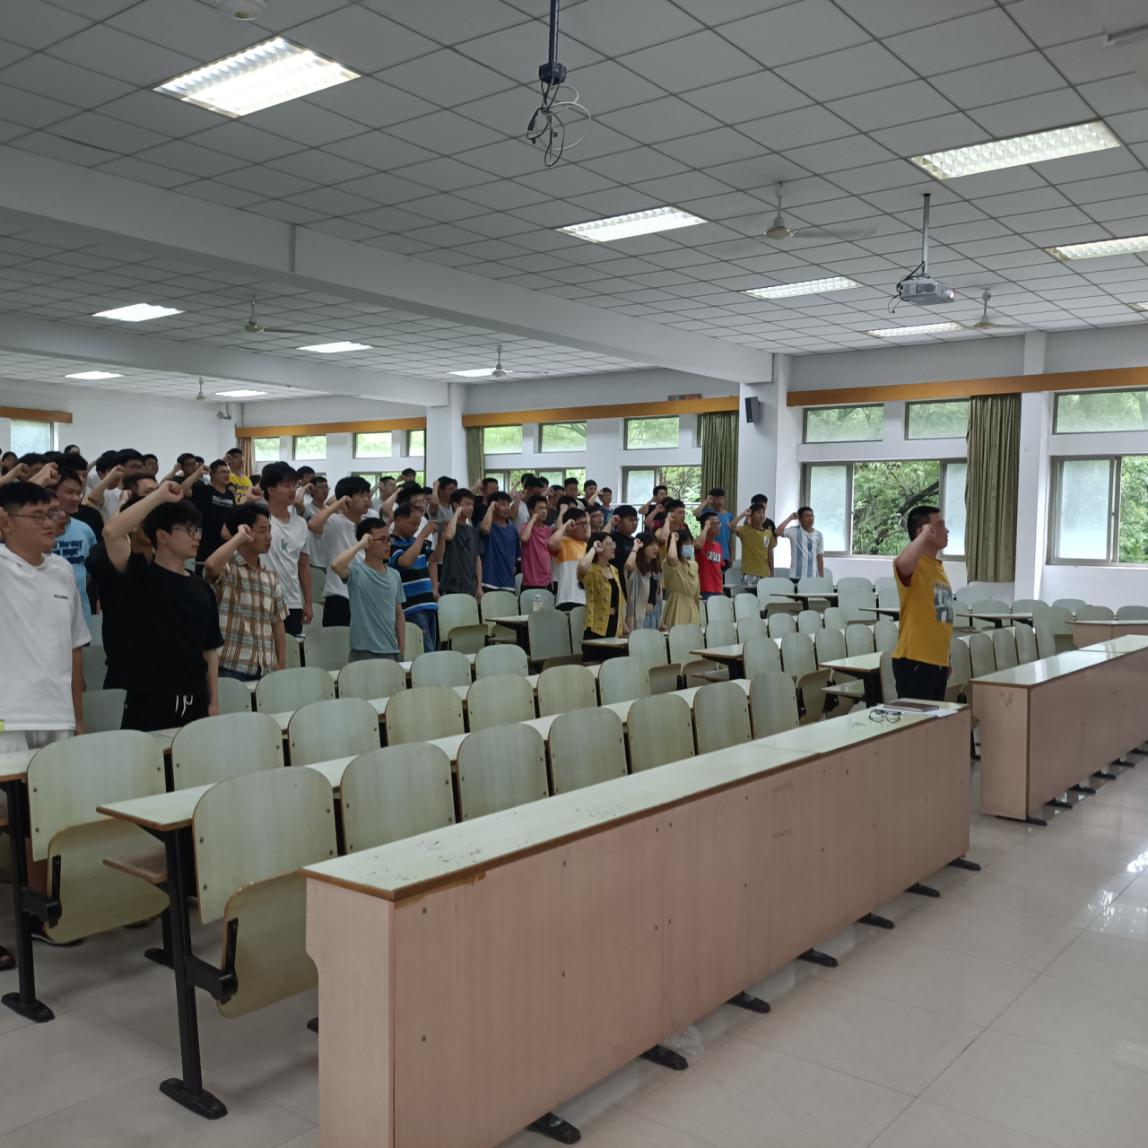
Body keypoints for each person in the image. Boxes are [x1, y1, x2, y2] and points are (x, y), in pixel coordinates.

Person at [98, 482, 222, 731]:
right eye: (189, 530)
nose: (196, 536)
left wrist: (213, 701)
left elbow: (210, 650)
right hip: (150, 700)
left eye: (197, 530)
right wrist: (159, 496)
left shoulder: (202, 587)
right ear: (162, 536)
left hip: (196, 697)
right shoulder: (139, 575)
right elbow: (111, 532)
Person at [0, 481, 89, 748]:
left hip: (59, 715)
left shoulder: (63, 570)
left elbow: (74, 648)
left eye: (51, 514)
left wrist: (78, 717)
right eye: (37, 516)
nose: (49, 523)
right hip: (9, 717)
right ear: (6, 522)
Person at [204, 503, 287, 683]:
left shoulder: (270, 576)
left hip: (266, 667)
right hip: (230, 665)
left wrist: (281, 663)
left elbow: (277, 623)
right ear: (244, 531)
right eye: (262, 530)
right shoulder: (227, 569)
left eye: (269, 530)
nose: (269, 536)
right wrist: (239, 538)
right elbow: (210, 566)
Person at [891, 505, 954, 702]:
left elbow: (940, 618)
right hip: (915, 661)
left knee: (933, 722)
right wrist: (925, 535)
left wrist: (945, 658)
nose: (946, 530)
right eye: (940, 525)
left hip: (937, 662)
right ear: (923, 531)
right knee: (916, 721)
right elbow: (901, 563)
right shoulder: (915, 565)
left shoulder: (937, 568)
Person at [330, 518, 406, 662]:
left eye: (389, 539)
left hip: (391, 651)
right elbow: (336, 565)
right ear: (368, 542)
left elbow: (399, 613)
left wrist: (401, 648)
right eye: (382, 539)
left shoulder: (395, 575)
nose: (388, 544)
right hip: (362, 652)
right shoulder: (356, 573)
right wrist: (360, 544)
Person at [308, 475, 372, 627]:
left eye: (367, 495)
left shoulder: (369, 525)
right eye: (361, 495)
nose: (367, 500)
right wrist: (337, 505)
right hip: (339, 597)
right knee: (337, 641)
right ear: (347, 499)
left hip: (365, 597)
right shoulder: (334, 521)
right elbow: (313, 524)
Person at [261, 461, 312, 637]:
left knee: (290, 652)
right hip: (263, 599)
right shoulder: (258, 519)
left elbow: (303, 566)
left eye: (294, 486)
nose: (292, 490)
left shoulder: (301, 524)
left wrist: (308, 602)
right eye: (286, 485)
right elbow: (226, 532)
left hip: (292, 601)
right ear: (270, 489)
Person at [388, 501, 439, 650]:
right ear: (399, 520)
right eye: (413, 523)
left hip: (429, 603)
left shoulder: (415, 542)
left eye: (418, 525)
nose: (416, 528)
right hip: (411, 607)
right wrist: (422, 535)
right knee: (426, 652)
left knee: (432, 650)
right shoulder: (391, 543)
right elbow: (406, 561)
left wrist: (442, 537)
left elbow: (435, 558)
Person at [50, 466, 97, 617]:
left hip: (80, 614)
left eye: (79, 493)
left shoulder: (84, 529)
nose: (76, 498)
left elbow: (90, 570)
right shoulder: (34, 531)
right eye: (70, 492)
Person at [188, 459, 236, 573]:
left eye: (227, 472)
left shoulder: (230, 494)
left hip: (225, 544)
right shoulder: (203, 490)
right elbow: (183, 489)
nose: (227, 475)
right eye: (222, 472)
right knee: (204, 576)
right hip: (206, 544)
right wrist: (197, 473)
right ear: (212, 474)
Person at [577, 533, 626, 640]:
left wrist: (624, 627)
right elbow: (582, 566)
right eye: (608, 544)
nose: (613, 547)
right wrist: (594, 549)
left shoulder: (614, 570)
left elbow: (619, 602)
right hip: (596, 626)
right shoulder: (591, 570)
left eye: (613, 544)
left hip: (614, 624)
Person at [438, 487, 481, 597]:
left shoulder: (473, 531)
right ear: (456, 505)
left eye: (472, 504)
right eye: (467, 504)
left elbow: (477, 558)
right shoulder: (447, 526)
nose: (471, 508)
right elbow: (449, 536)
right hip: (451, 586)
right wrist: (457, 513)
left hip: (470, 586)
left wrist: (479, 585)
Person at [548, 504, 589, 609]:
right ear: (572, 524)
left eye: (586, 524)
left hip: (586, 599)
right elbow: (551, 543)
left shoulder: (587, 546)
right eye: (582, 524)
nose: (585, 528)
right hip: (567, 598)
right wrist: (566, 525)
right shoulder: (562, 542)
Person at [478, 491, 520, 593]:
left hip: (508, 583)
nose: (507, 508)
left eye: (508, 505)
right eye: (503, 505)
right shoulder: (486, 525)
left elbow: (516, 556)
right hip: (488, 581)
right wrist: (491, 507)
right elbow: (485, 529)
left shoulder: (513, 530)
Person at [733, 499, 777, 591]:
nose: (761, 515)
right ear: (751, 515)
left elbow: (770, 553)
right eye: (758, 512)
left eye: (763, 512)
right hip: (749, 574)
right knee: (748, 598)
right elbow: (730, 527)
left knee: (763, 599)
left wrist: (772, 573)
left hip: (765, 574)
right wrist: (743, 515)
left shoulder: (768, 533)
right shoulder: (745, 530)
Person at [661, 527, 700, 628]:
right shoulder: (669, 564)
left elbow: (696, 595)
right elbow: (672, 557)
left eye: (691, 543)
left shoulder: (694, 565)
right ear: (678, 545)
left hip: (692, 610)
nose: (690, 547)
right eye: (686, 544)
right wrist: (673, 539)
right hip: (676, 608)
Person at [625, 532, 662, 631]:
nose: (655, 548)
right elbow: (629, 564)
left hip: (654, 617)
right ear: (642, 547)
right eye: (651, 544)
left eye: (656, 544)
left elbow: (657, 597)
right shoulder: (636, 569)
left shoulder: (655, 572)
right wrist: (635, 547)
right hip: (639, 618)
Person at [778, 506, 824, 582]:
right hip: (796, 577)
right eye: (807, 516)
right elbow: (778, 531)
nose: (810, 518)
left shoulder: (819, 535)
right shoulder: (794, 531)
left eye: (811, 515)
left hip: (813, 577)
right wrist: (790, 518)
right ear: (800, 519)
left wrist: (821, 579)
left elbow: (820, 558)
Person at [519, 494, 554, 592]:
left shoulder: (548, 530)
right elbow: (524, 538)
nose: (544, 511)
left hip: (546, 582)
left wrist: (551, 577)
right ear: (531, 510)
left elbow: (549, 556)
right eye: (540, 508)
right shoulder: (525, 527)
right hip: (530, 582)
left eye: (545, 508)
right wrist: (533, 519)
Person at [695, 489, 734, 568]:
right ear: (712, 500)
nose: (720, 501)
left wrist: (731, 555)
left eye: (721, 498)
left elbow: (730, 537)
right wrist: (707, 501)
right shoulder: (708, 513)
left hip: (725, 554)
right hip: (709, 552)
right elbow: (696, 513)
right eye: (717, 499)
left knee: (721, 575)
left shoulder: (729, 515)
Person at [696, 511, 725, 600]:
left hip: (718, 590)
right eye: (716, 523)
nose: (719, 526)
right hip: (704, 590)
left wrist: (721, 588)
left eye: (719, 523)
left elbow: (719, 570)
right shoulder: (699, 543)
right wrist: (705, 527)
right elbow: (697, 545)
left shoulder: (718, 546)